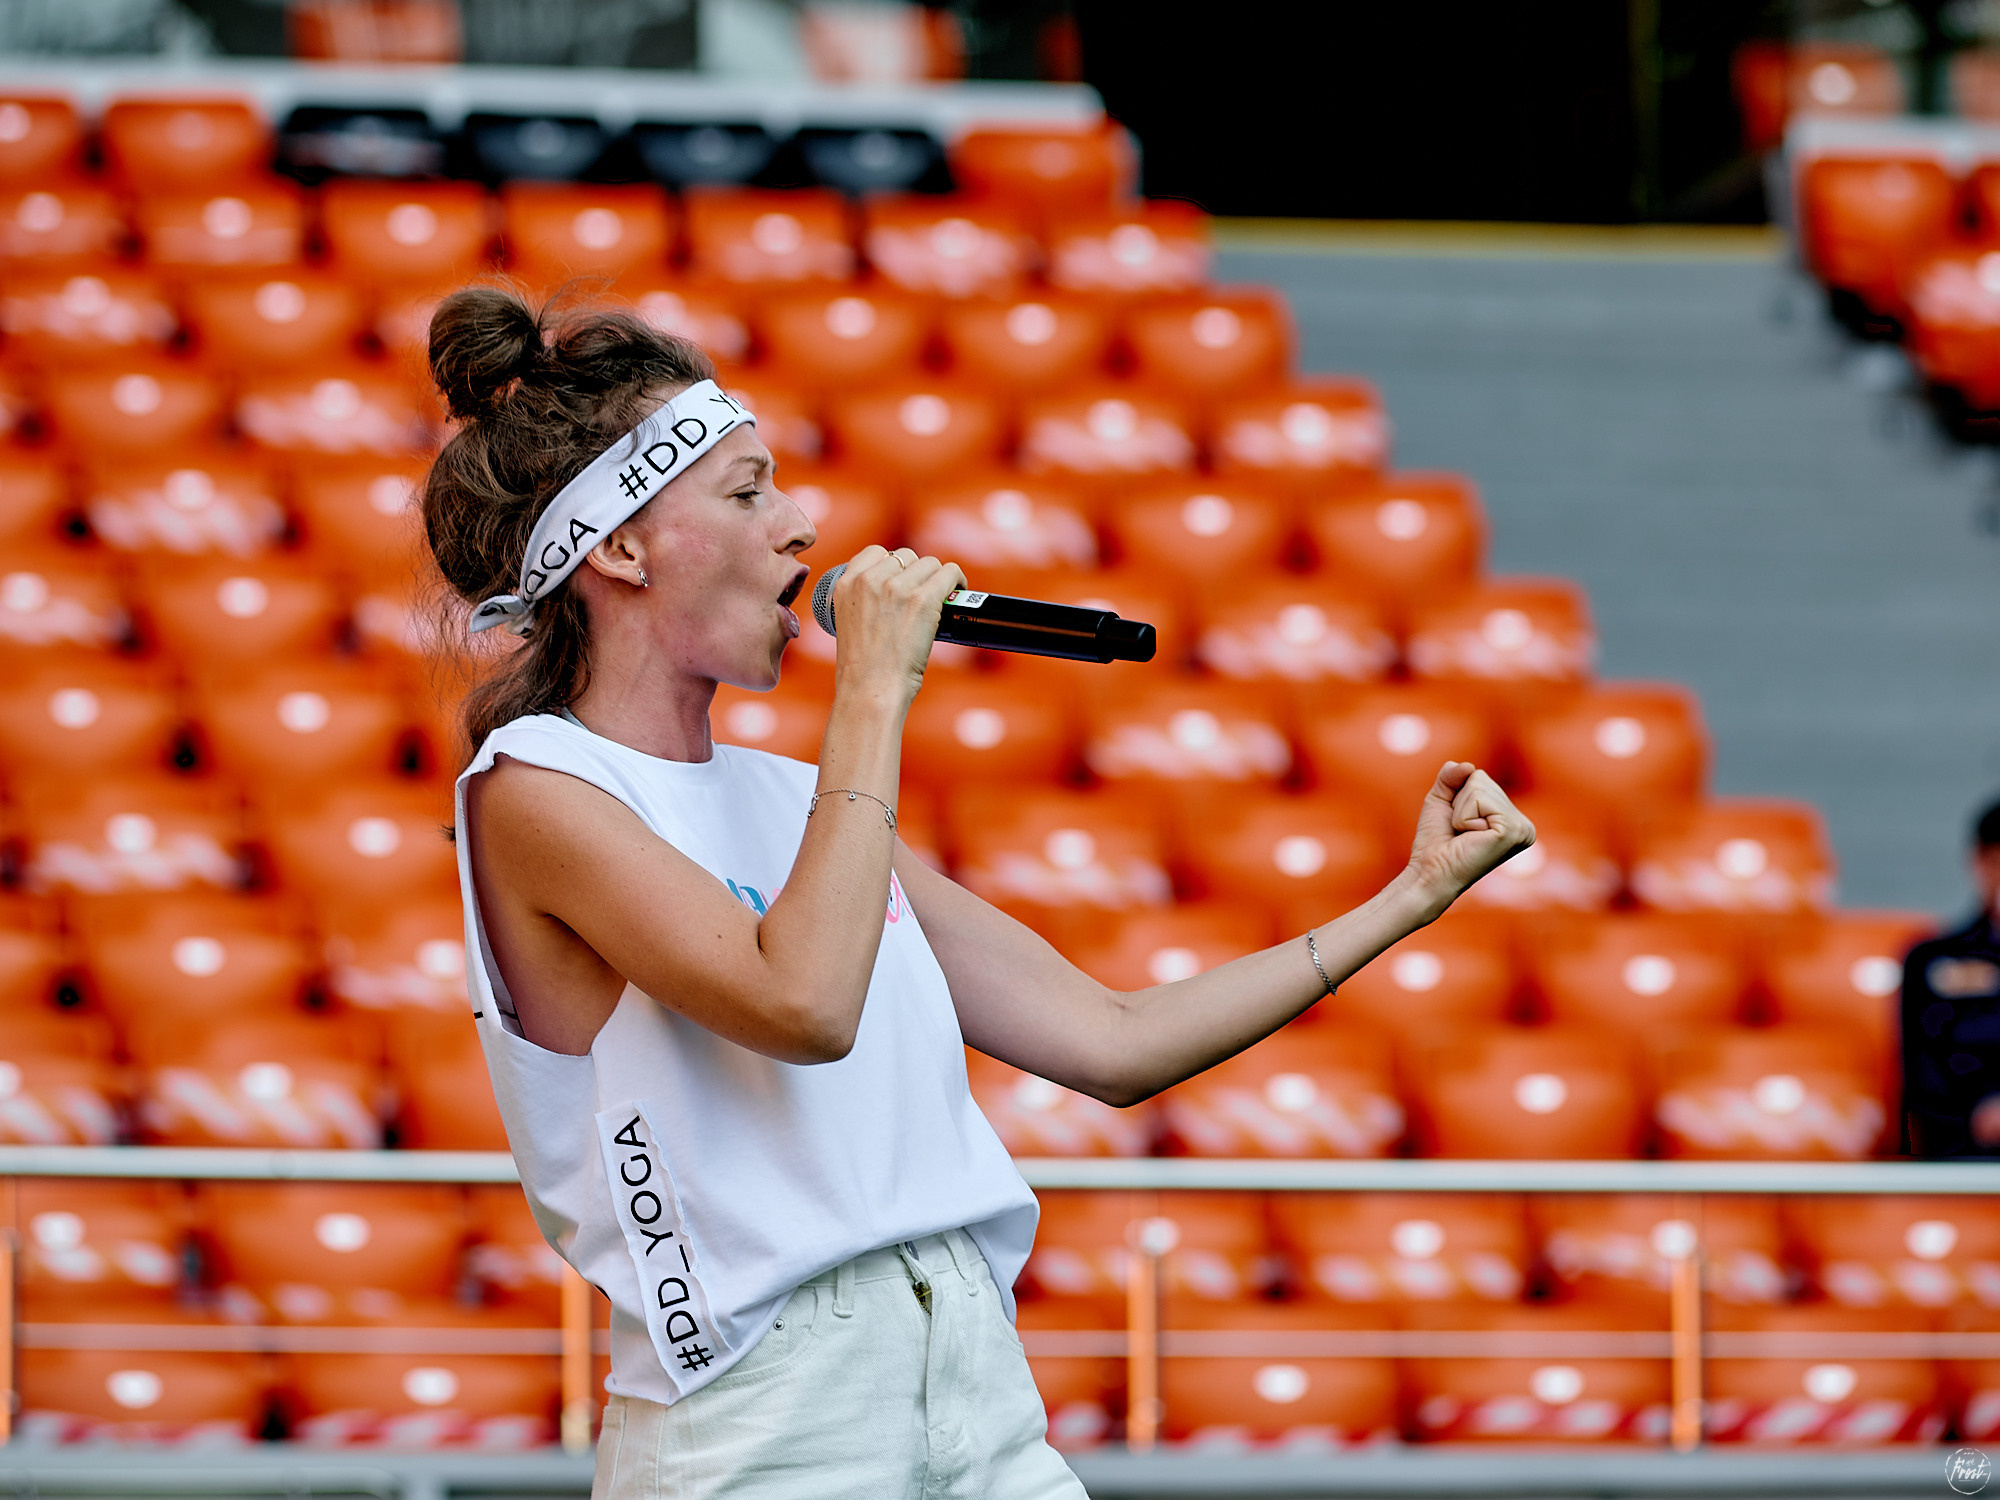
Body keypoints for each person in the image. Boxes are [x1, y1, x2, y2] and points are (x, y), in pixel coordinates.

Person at [422, 286, 1536, 1500]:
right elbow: (800, 1003)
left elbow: (1112, 1040)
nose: (799, 527)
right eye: (745, 491)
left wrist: (1407, 898)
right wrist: (868, 700)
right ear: (622, 547)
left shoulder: (799, 799)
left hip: (973, 1371)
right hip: (765, 1409)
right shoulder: (535, 789)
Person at [1903, 797, 2000, 1158]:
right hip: (1964, 1155)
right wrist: (1982, 1111)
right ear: (1980, 863)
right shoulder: (1932, 962)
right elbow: (1923, 1072)